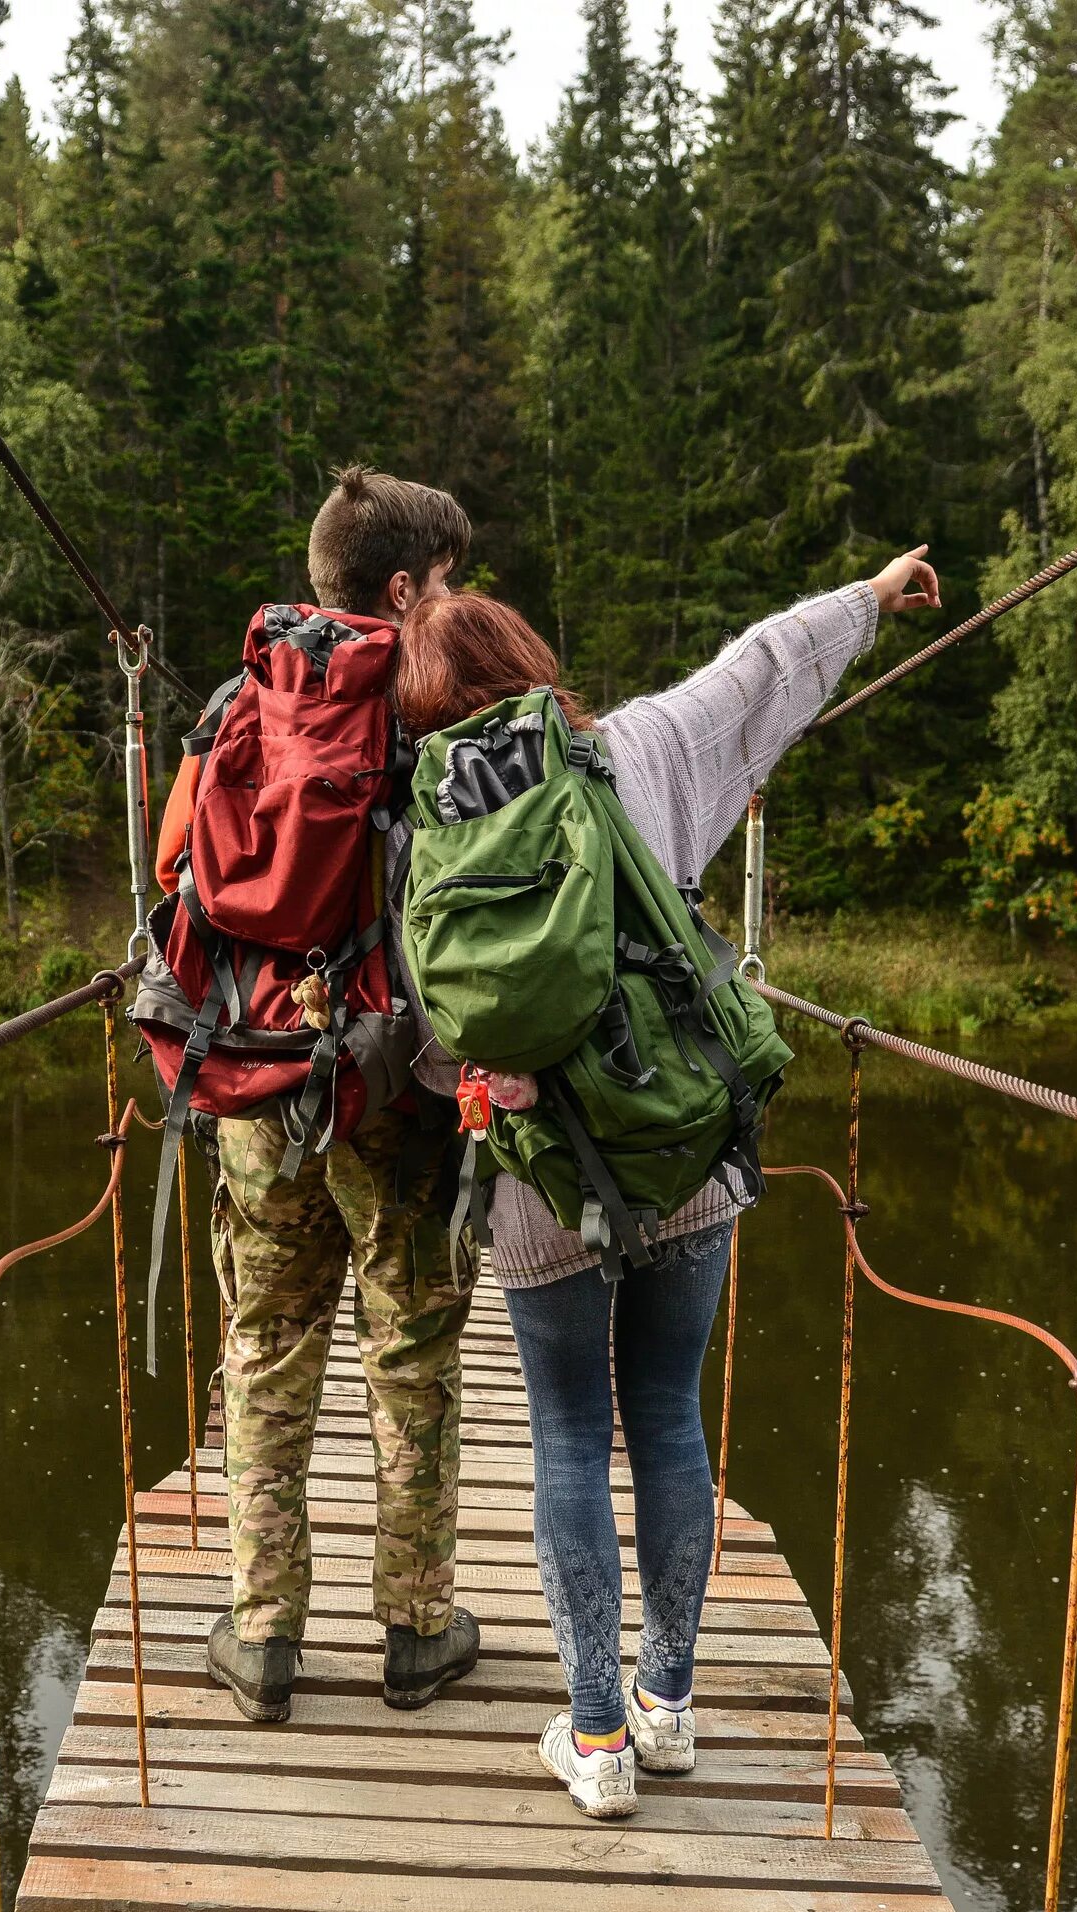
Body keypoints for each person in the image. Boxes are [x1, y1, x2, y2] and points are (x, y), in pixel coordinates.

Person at [390, 547, 942, 1817]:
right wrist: (868, 596)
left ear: (422, 715)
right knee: (671, 1417)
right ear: (534, 670)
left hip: (536, 1185)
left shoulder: (418, 831)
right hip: (686, 1145)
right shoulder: (641, 747)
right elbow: (761, 670)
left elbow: (430, 1032)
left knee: (570, 1435)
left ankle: (594, 1741)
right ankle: (672, 1705)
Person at [177, 468, 485, 1724]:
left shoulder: (230, 707)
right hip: (388, 1088)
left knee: (265, 1340)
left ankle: (262, 1635)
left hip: (256, 1080)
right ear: (403, 589)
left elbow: (174, 883)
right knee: (409, 1343)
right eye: (449, 580)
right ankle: (416, 1628)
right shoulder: (435, 720)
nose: (457, 601)